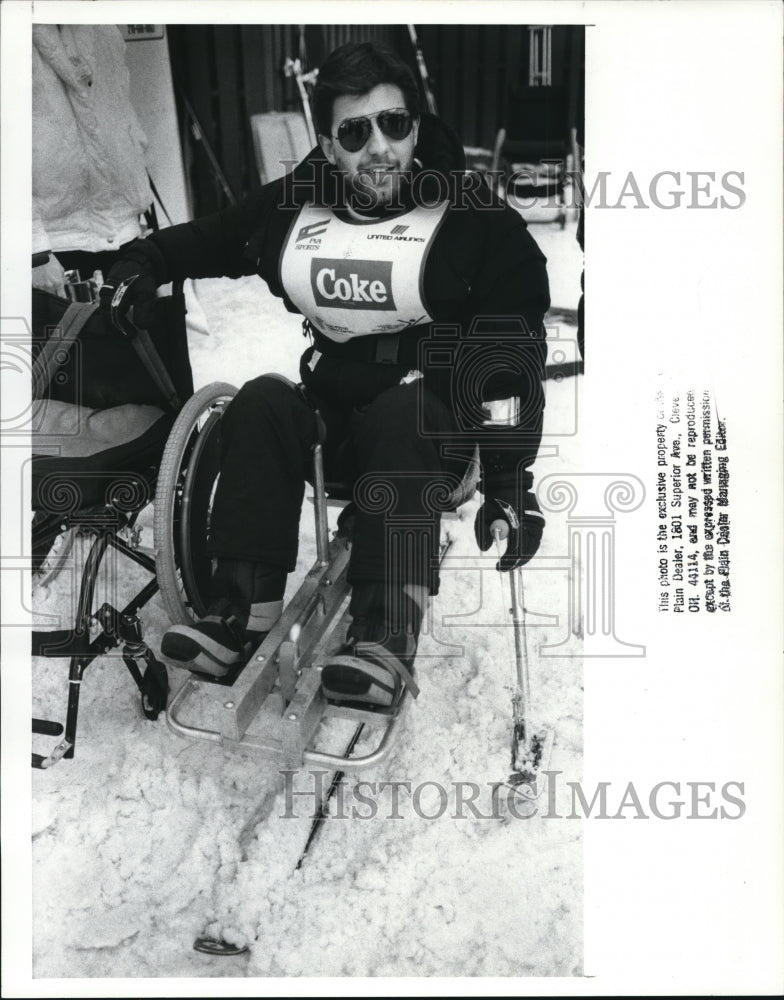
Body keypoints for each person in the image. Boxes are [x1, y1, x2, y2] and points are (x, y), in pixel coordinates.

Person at [100, 41, 550, 707]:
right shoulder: (298, 204)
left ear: (415, 127)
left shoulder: (470, 215)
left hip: (430, 425)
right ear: (329, 145)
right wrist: (145, 261)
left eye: (395, 124)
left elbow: (514, 352)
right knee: (259, 402)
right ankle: (238, 613)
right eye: (355, 131)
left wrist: (511, 483)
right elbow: (217, 236)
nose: (379, 148)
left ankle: (384, 635)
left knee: (405, 413)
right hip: (335, 408)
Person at [32, 24, 153, 297]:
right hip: (56, 243)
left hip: (123, 230)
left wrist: (138, 205)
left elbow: (121, 109)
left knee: (138, 333)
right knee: (64, 339)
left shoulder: (102, 28)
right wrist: (33, 250)